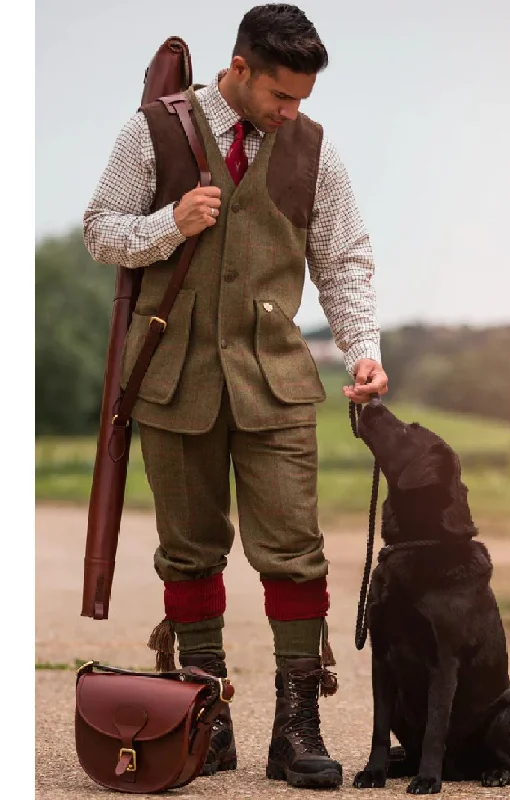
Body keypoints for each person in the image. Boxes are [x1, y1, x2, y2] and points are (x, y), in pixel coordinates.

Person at [83, 3, 388, 790]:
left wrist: (362, 353)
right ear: (241, 69)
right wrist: (169, 224)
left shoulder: (314, 149)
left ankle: (297, 729)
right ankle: (203, 721)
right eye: (281, 96)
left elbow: (345, 258)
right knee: (188, 552)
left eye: (303, 100)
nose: (292, 113)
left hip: (277, 383)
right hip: (173, 380)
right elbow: (99, 229)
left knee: (294, 551)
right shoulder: (150, 130)